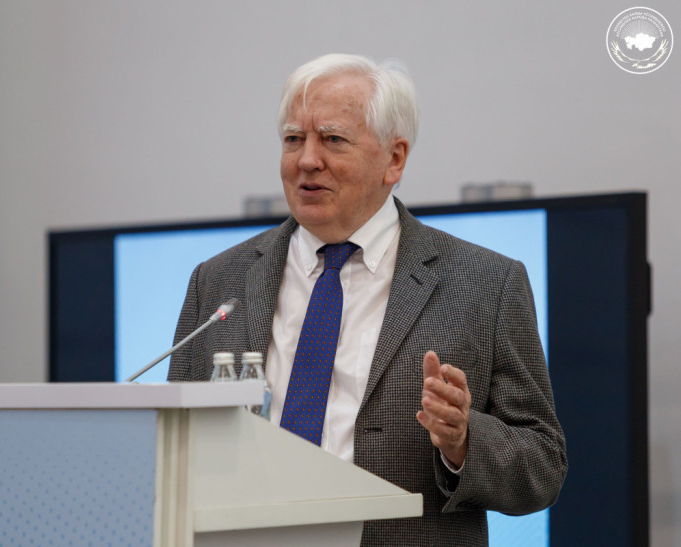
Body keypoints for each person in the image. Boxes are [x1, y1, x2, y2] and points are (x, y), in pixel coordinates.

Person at [167, 53, 567, 546]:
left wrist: (464, 441)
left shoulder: (486, 283)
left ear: (394, 159)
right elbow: (174, 448)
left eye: (332, 139)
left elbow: (542, 465)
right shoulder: (218, 280)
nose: (306, 160)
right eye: (293, 139)